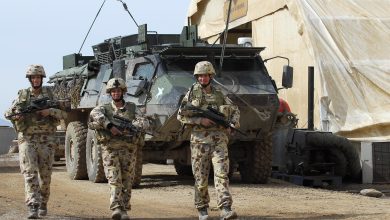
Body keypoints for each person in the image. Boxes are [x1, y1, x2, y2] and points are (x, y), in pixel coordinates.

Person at [177, 61, 240, 220]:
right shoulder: (191, 94)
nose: (202, 79)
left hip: (219, 141)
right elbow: (181, 115)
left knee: (221, 174)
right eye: (200, 76)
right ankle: (202, 209)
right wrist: (200, 121)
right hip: (199, 143)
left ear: (210, 76)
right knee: (200, 178)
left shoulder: (219, 94)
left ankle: (225, 208)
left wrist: (232, 123)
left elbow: (234, 110)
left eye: (205, 75)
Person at [4, 64, 67, 219]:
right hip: (27, 140)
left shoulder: (50, 94)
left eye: (38, 77)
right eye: (33, 77)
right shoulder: (23, 96)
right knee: (29, 173)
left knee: (45, 177)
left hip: (47, 141)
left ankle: (43, 202)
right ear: (30, 79)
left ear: (42, 79)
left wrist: (49, 111)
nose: (36, 80)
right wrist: (16, 115)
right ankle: (33, 205)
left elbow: (64, 114)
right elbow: (7, 113)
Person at [88, 78, 148, 220]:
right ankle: (116, 207)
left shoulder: (133, 108)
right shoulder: (104, 108)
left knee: (127, 181)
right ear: (110, 93)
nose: (116, 93)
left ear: (123, 92)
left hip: (128, 150)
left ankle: (124, 208)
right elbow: (93, 116)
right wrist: (110, 126)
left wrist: (133, 127)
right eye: (113, 91)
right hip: (110, 149)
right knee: (114, 179)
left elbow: (144, 122)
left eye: (118, 91)